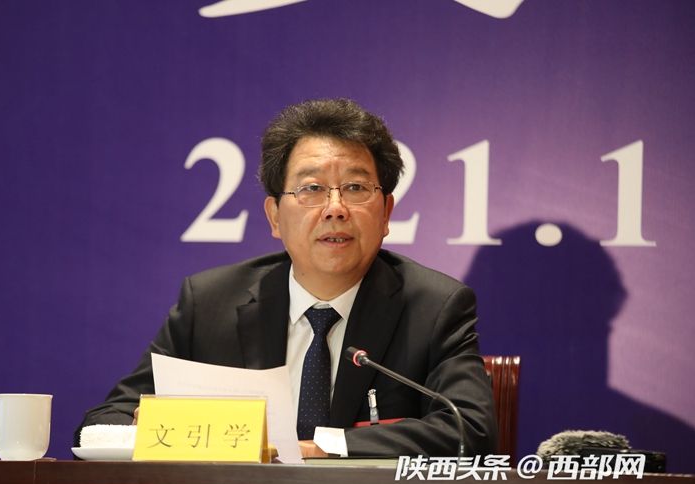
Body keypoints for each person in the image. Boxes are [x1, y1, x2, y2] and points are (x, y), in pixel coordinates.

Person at [76, 98, 496, 458]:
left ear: (386, 213)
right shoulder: (209, 304)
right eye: (312, 189)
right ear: (275, 216)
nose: (335, 209)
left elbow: (470, 430)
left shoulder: (433, 307)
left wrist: (321, 448)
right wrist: (154, 427)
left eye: (355, 188)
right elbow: (102, 423)